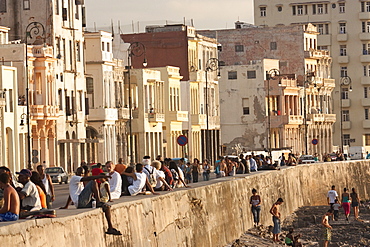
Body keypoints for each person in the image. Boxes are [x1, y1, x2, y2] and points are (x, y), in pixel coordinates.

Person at [60, 167, 122, 235]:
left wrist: (66, 206)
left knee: (106, 207)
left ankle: (110, 227)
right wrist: (100, 176)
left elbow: (71, 194)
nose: (80, 174)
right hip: (81, 202)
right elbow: (87, 179)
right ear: (76, 173)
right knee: (93, 182)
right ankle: (98, 202)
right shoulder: (74, 178)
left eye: (82, 173)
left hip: (84, 202)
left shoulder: (79, 184)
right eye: (79, 173)